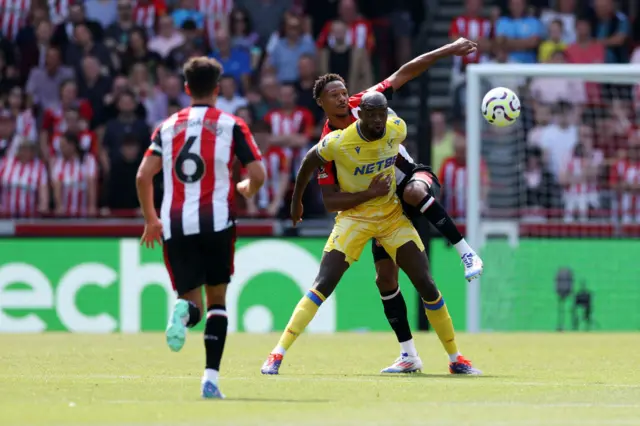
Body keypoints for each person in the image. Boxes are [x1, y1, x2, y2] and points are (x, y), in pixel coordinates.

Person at [261, 92, 481, 376]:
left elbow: (406, 160)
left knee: (425, 283)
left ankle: (456, 358)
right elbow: (308, 161)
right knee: (324, 282)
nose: (379, 120)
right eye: (372, 114)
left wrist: (415, 181)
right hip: (354, 219)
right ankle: (277, 353)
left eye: (382, 113)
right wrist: (296, 201)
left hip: (391, 216)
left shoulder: (396, 129)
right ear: (360, 115)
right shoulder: (338, 143)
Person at [303, 38, 483, 373]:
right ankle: (408, 355)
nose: (343, 97)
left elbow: (403, 73)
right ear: (321, 103)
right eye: (334, 94)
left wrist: (448, 49)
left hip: (414, 179)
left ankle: (465, 251)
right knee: (385, 280)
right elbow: (332, 189)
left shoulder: (365, 104)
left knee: (414, 195)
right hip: (385, 206)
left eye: (344, 92)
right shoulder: (328, 144)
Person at [136, 57, 266, 399]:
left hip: (175, 225)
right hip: (217, 222)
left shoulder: (166, 127)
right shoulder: (231, 124)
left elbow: (142, 175)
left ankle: (185, 311)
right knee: (218, 302)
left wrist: (151, 219)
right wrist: (245, 189)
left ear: (186, 88)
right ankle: (210, 379)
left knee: (190, 304)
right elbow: (258, 174)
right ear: (218, 89)